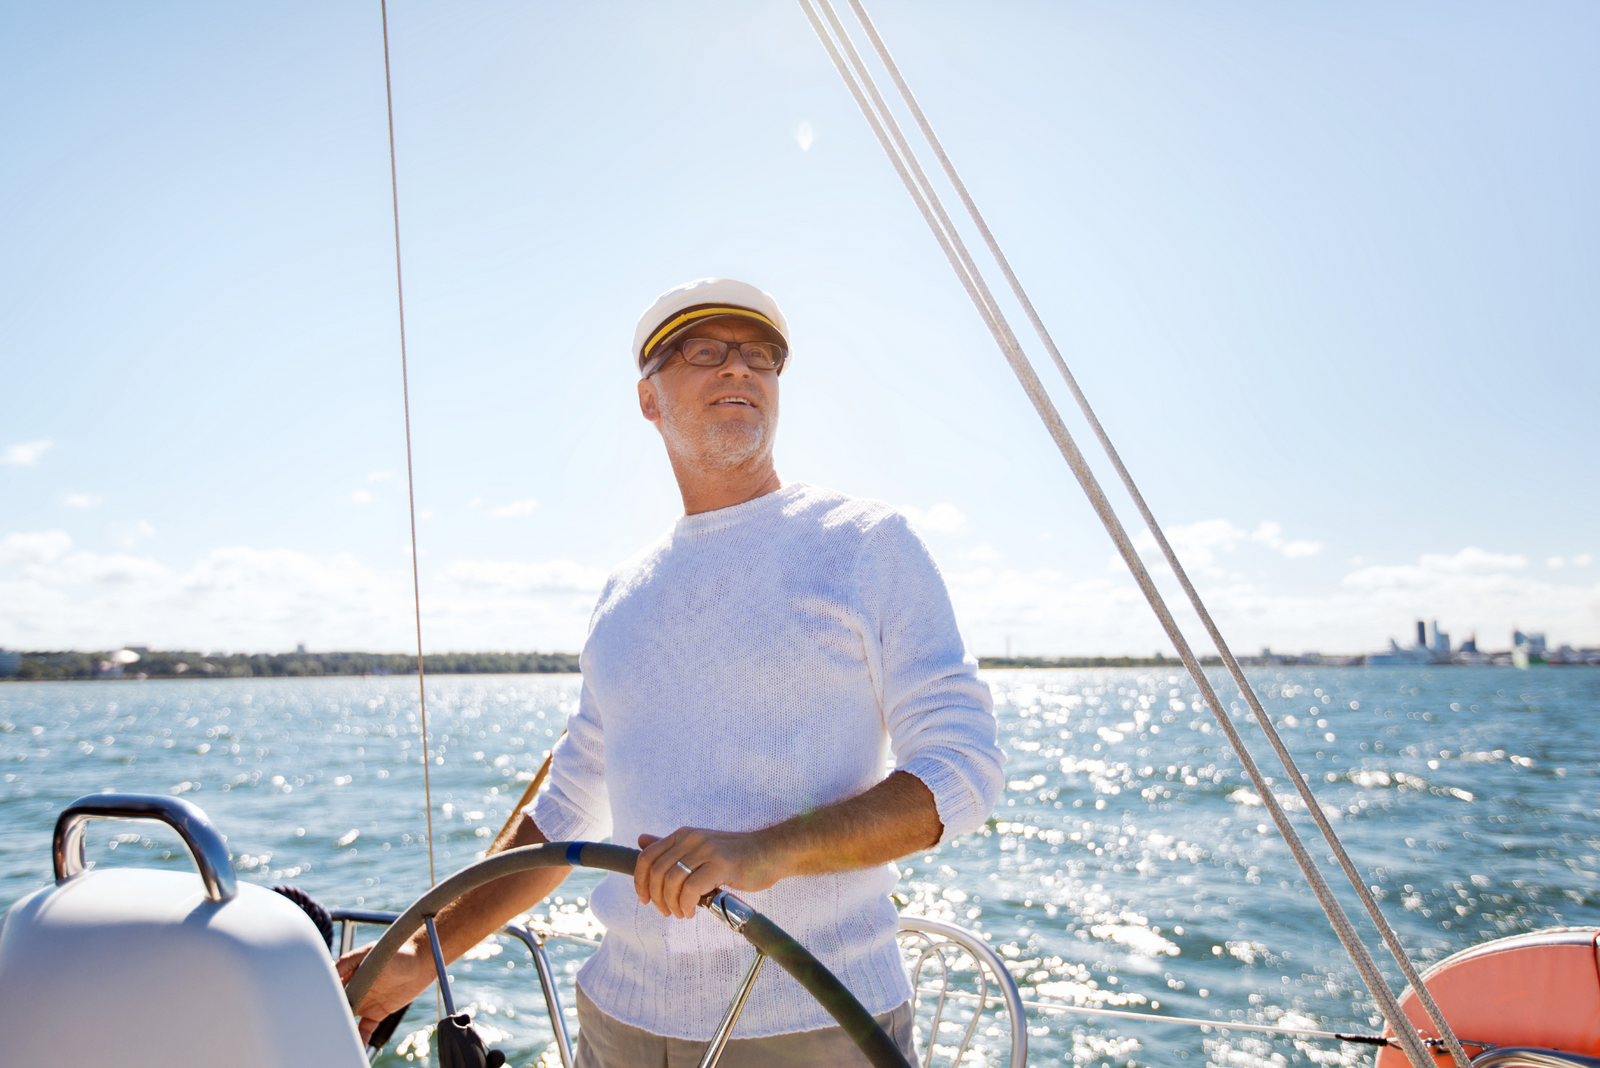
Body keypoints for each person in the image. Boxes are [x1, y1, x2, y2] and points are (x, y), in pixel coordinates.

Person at [339, 277, 1005, 1067]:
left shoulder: (866, 544)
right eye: (704, 351)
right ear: (649, 400)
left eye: (761, 355)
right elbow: (562, 813)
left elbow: (961, 773)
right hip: (616, 1022)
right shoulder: (624, 596)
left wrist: (763, 851)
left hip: (810, 1024)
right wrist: (420, 957)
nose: (740, 370)